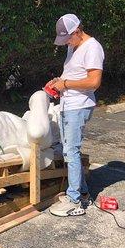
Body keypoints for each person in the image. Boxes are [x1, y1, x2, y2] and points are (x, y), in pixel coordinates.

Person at [47, 14, 104, 217]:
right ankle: (83, 192)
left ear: (77, 31)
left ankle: (75, 201)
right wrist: (58, 82)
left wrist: (67, 84)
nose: (66, 44)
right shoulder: (74, 46)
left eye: (68, 39)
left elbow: (94, 82)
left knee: (71, 151)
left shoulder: (93, 48)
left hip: (79, 106)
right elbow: (71, 73)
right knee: (69, 151)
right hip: (67, 104)